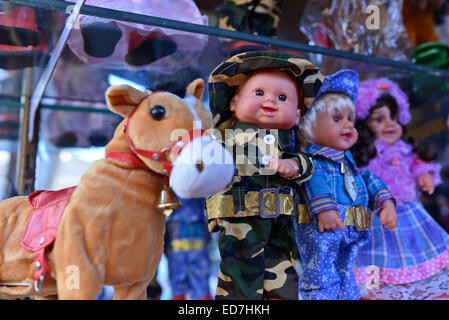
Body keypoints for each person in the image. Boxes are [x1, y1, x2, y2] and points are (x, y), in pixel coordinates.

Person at [205, 50, 324, 300]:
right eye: (259, 93)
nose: (270, 101)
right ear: (234, 103)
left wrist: (294, 166)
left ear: (297, 117)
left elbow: (309, 166)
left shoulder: (290, 147)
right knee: (237, 282)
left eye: (282, 97)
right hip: (239, 224)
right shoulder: (224, 142)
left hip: (281, 228)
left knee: (284, 282)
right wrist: (213, 211)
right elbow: (208, 177)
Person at [294, 69, 397, 300]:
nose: (348, 125)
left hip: (353, 229)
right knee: (321, 273)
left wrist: (386, 202)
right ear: (309, 126)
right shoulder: (313, 162)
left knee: (348, 272)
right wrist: (325, 209)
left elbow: (369, 180)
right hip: (323, 229)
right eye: (338, 119)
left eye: (351, 119)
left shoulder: (349, 165)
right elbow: (314, 182)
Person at [352, 78, 449, 300]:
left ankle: (417, 281)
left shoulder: (402, 149)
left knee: (415, 249)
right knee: (377, 254)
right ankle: (378, 288)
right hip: (377, 216)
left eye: (395, 118)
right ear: (362, 125)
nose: (391, 124)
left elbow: (418, 163)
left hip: (408, 212)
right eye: (379, 119)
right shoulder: (365, 156)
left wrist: (424, 176)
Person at [164, 197, 212, 300]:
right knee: (201, 287)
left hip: (178, 236)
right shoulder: (201, 191)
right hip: (195, 233)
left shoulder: (172, 191)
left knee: (179, 287)